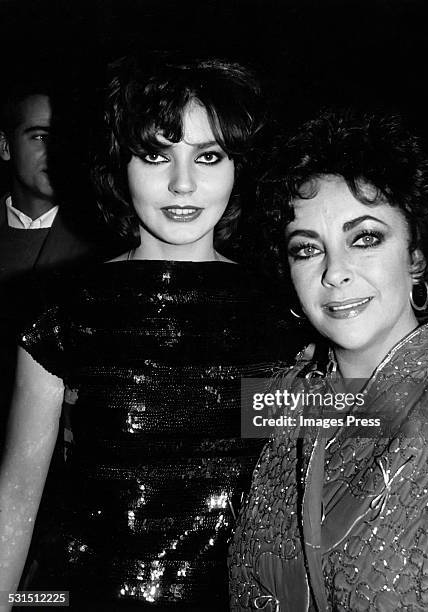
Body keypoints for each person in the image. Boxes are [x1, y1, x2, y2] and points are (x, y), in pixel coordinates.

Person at [0, 54, 301, 610]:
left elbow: (369, 428)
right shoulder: (66, 309)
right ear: (121, 164)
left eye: (208, 157)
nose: (183, 184)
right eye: (156, 154)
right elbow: (17, 496)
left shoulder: (281, 316)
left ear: (238, 167)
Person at [229, 110, 428, 612]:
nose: (335, 273)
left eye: (365, 238)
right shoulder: (279, 402)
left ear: (416, 255)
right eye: (307, 250)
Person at [0, 77, 100, 437]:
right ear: (6, 146)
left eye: (64, 139)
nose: (55, 151)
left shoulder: (102, 243)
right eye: (40, 136)